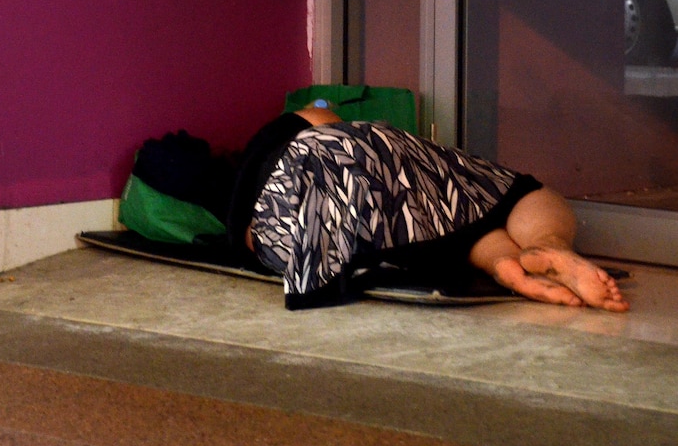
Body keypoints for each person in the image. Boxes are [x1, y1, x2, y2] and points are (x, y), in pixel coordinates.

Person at [227, 107, 629, 312]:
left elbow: (254, 239)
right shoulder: (298, 129)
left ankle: (503, 261)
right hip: (353, 157)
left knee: (439, 231)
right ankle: (546, 243)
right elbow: (326, 125)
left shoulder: (244, 190)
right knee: (507, 193)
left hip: (293, 214)